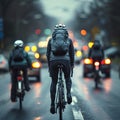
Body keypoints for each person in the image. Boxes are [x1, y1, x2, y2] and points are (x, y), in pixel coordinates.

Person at [46, 24, 74, 114]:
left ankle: (52, 104)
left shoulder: (51, 40)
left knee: (54, 82)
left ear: (54, 32)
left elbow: (47, 54)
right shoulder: (69, 40)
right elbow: (72, 54)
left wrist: (49, 64)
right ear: (66, 32)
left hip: (53, 62)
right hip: (65, 61)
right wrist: (72, 65)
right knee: (67, 78)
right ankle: (68, 94)